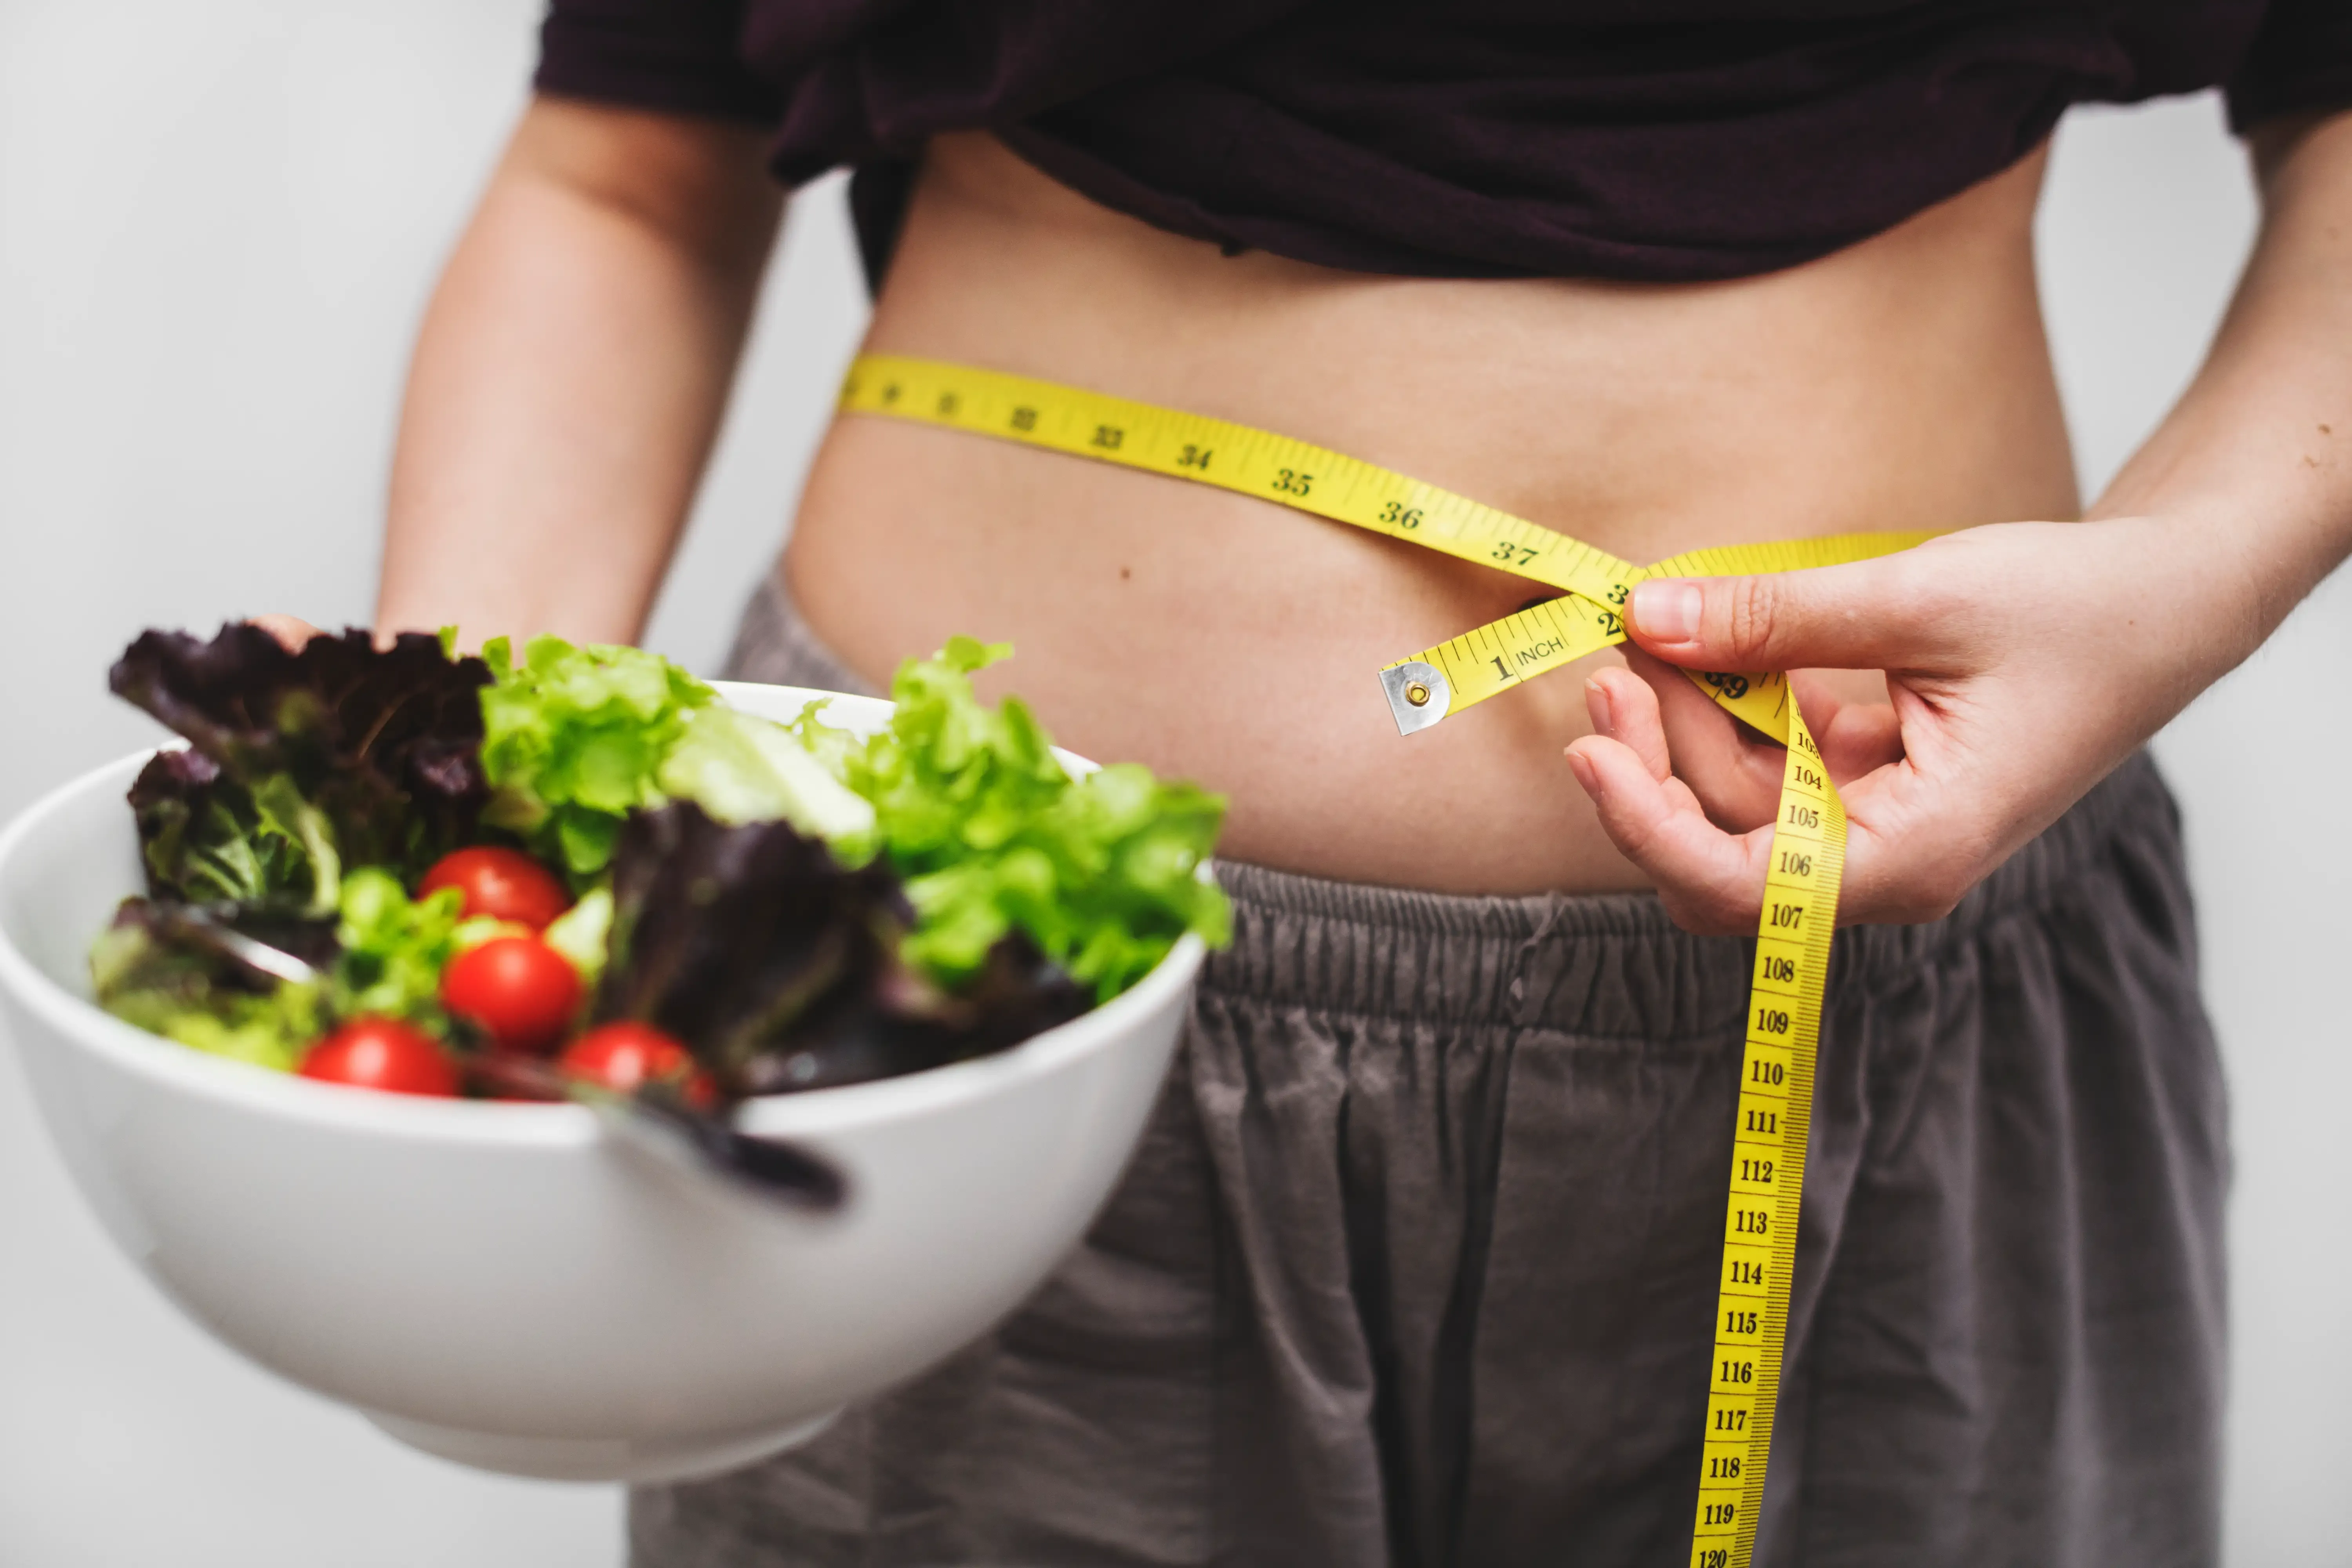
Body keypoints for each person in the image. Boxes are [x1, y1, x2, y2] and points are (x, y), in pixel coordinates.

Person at [345, 3, 2352, 1563]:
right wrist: (424, 803)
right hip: (966, 1047)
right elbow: (625, 171)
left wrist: (2193, 576)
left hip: (1903, 1035)